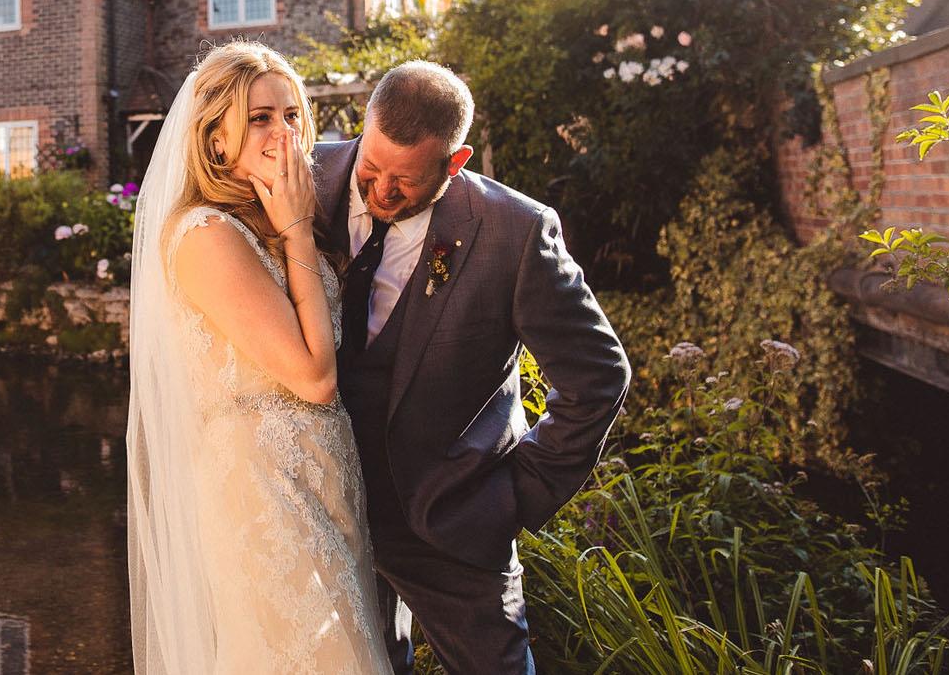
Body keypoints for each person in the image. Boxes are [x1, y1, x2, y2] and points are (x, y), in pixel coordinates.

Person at [312, 61, 631, 675]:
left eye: (403, 182)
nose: (379, 191)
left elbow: (597, 378)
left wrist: (512, 497)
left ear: (454, 164)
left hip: (449, 520)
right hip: (321, 505)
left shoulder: (516, 234)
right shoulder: (306, 173)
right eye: (370, 168)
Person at [126, 41, 393, 674]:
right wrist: (299, 230)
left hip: (323, 476)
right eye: (259, 117)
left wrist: (297, 228)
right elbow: (313, 376)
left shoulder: (277, 219)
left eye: (292, 114)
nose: (284, 131)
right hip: (261, 488)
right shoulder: (206, 235)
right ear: (215, 140)